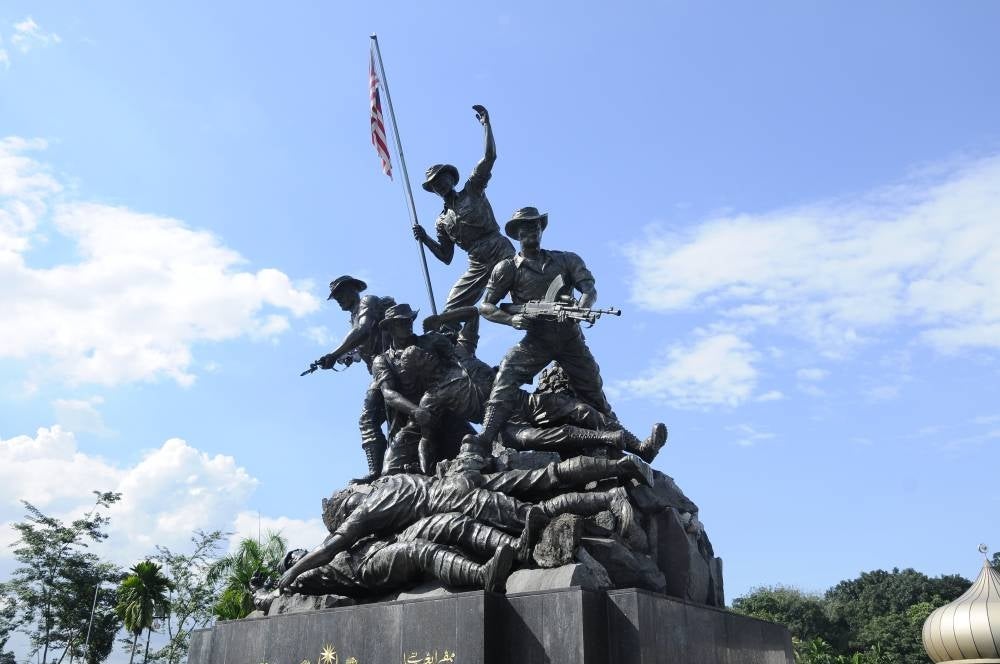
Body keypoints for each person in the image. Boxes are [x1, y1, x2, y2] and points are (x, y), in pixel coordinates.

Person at [277, 453, 647, 591]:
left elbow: (330, 547)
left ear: (346, 506)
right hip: (460, 484)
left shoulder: (366, 510)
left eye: (342, 511)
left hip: (457, 500)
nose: (346, 513)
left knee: (533, 513)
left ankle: (606, 498)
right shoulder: (389, 482)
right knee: (544, 480)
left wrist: (291, 573)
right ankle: (614, 472)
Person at [469, 207, 615, 451]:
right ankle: (486, 435)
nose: (531, 230)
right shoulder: (507, 268)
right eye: (525, 227)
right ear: (517, 234)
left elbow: (589, 290)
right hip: (537, 340)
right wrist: (511, 319)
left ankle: (618, 438)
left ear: (541, 229)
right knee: (506, 375)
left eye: (535, 225)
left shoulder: (567, 259)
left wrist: (581, 308)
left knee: (593, 389)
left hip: (569, 338)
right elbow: (486, 306)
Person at [412, 105, 515, 324]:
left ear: (451, 178)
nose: (438, 185)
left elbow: (490, 157)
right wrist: (425, 238)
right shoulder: (441, 221)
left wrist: (486, 126)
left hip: (498, 248)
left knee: (520, 292)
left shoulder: (472, 189)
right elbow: (446, 257)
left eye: (441, 179)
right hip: (476, 261)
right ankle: (456, 342)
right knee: (450, 310)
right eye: (433, 184)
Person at [369, 303, 471, 474]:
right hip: (415, 419)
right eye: (401, 322)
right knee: (390, 470)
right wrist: (416, 411)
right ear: (390, 327)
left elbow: (459, 363)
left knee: (480, 450)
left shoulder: (433, 340)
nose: (408, 325)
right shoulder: (383, 361)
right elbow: (388, 393)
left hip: (446, 412)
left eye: (409, 321)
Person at [316, 276, 396, 482]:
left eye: (340, 295)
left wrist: (334, 353)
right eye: (336, 298)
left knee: (368, 419)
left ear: (353, 290)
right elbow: (360, 345)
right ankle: (383, 469)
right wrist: (346, 356)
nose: (338, 300)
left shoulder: (367, 302)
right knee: (381, 420)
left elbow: (363, 330)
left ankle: (377, 472)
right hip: (378, 370)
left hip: (390, 365)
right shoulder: (354, 315)